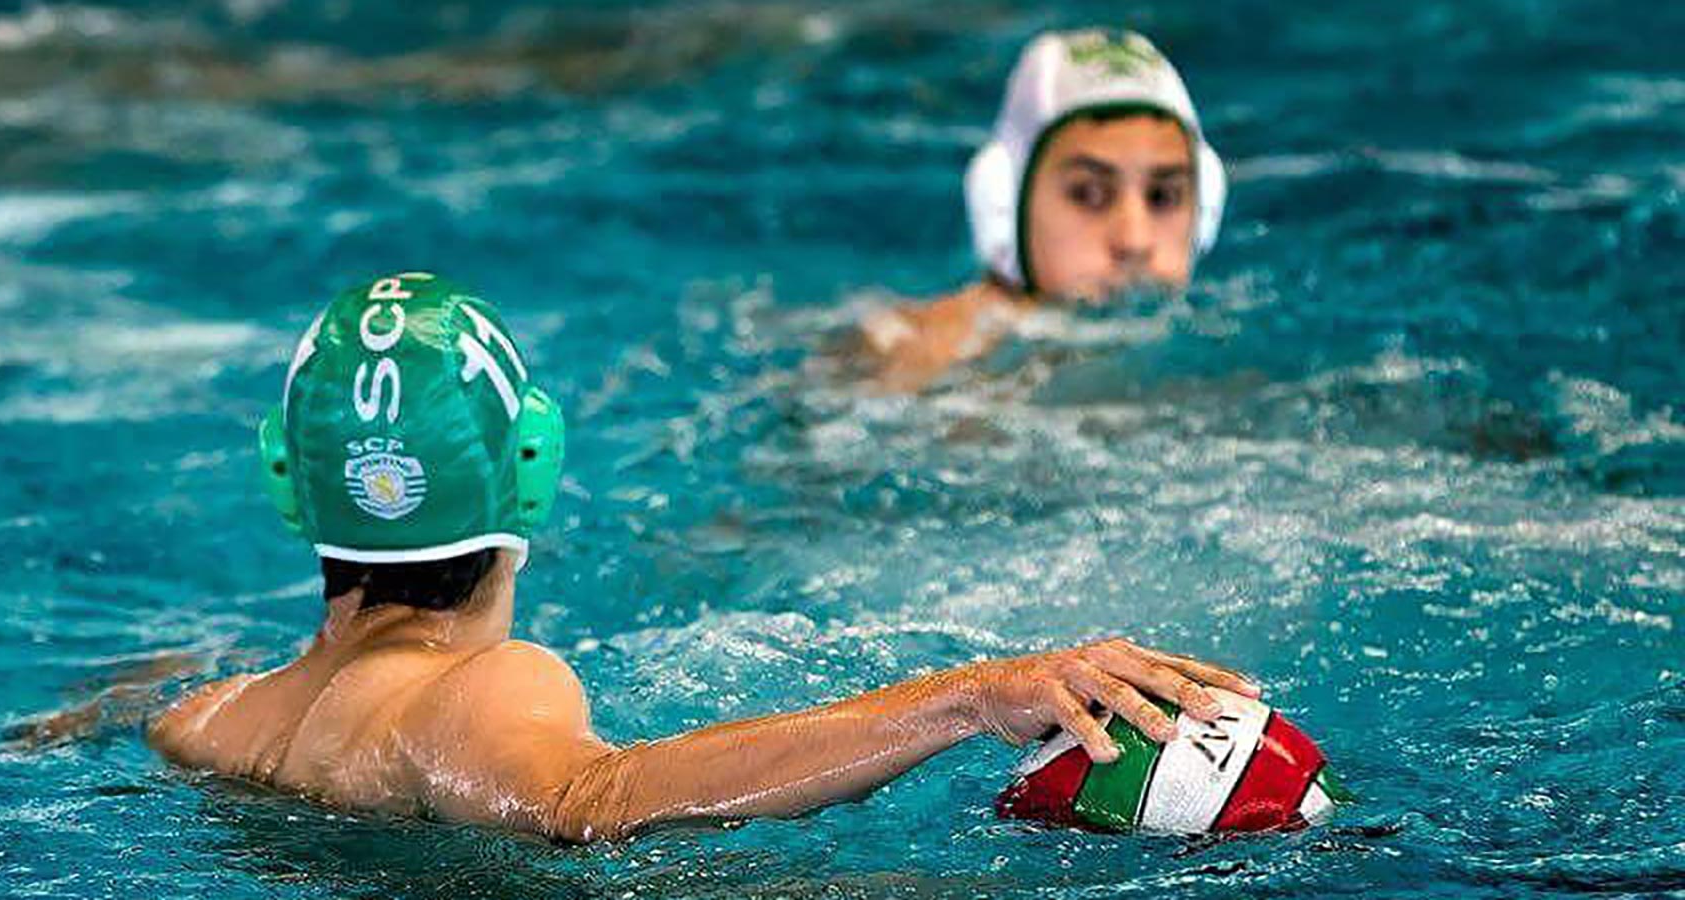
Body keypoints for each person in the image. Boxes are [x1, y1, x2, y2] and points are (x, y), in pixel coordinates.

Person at [147, 272, 1261, 843]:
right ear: (533, 464)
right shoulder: (477, 691)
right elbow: (595, 800)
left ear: (285, 480)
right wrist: (969, 696)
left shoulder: (203, 723)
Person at [857, 29, 1228, 391]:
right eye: (1089, 194)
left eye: (1163, 197)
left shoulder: (1208, 346)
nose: (1135, 241)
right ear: (1003, 204)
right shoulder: (913, 354)